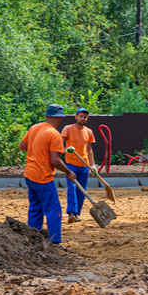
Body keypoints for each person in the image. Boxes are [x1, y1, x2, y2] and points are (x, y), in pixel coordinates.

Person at [19, 104, 78, 244]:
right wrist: (69, 172)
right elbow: (55, 160)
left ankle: (33, 240)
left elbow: (22, 146)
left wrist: (37, 151)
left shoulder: (34, 127)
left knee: (35, 208)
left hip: (29, 174)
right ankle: (55, 241)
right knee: (54, 210)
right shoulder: (55, 135)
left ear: (46, 116)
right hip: (42, 177)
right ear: (59, 119)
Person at [61, 108, 96, 223]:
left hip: (84, 165)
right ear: (76, 116)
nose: (83, 118)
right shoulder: (68, 129)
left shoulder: (89, 132)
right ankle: (71, 212)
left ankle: (76, 214)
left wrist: (93, 165)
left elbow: (89, 150)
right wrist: (66, 150)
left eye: (85, 117)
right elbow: (60, 144)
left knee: (82, 191)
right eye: (81, 116)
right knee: (72, 188)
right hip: (71, 164)